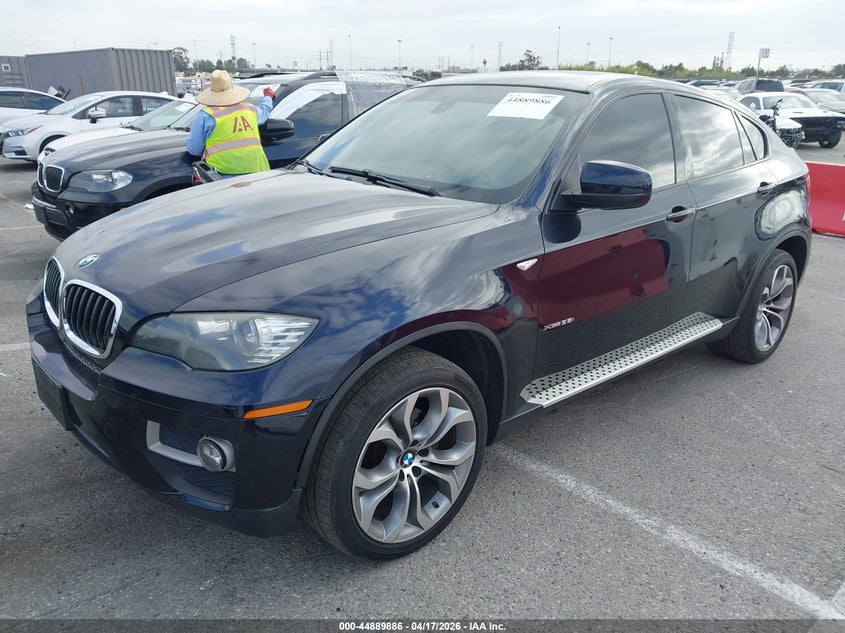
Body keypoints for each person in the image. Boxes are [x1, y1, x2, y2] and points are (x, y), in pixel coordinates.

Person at [186, 69, 275, 176]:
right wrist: (268, 97)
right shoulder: (249, 109)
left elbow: (194, 149)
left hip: (222, 175)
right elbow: (264, 111)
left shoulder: (206, 115)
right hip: (257, 171)